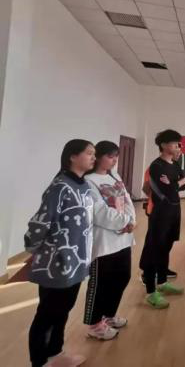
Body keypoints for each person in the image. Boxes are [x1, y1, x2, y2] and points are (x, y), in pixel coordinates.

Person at [25, 140, 99, 367]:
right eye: (89, 153)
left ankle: (55, 353)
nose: (93, 157)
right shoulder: (60, 186)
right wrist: (34, 249)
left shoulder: (84, 186)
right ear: (72, 157)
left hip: (77, 261)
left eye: (95, 153)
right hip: (56, 262)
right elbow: (40, 222)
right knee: (47, 314)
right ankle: (40, 361)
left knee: (63, 310)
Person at [83, 141, 136, 341]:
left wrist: (132, 220)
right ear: (98, 157)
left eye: (116, 157)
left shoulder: (115, 176)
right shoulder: (89, 181)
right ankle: (95, 324)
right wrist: (125, 221)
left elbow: (127, 199)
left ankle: (108, 315)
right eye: (110, 156)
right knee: (101, 284)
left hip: (123, 238)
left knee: (122, 277)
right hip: (104, 242)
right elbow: (99, 212)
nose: (114, 160)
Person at [139, 130, 185, 309]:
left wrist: (177, 183)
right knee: (154, 249)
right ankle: (151, 292)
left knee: (166, 246)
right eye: (175, 144)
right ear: (164, 145)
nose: (178, 147)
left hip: (175, 210)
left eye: (178, 144)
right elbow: (170, 189)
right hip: (160, 212)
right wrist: (177, 183)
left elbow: (183, 184)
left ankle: (163, 282)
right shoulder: (156, 166)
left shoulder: (175, 164)